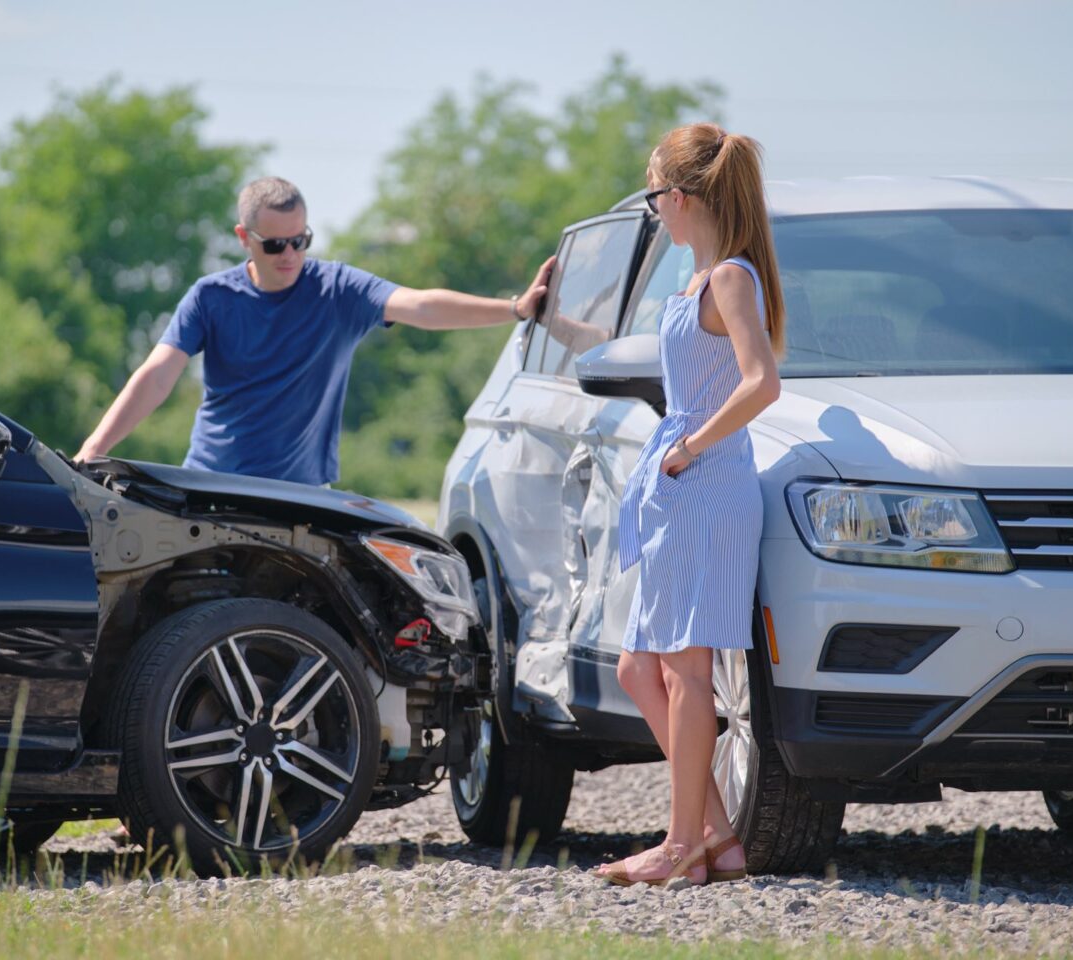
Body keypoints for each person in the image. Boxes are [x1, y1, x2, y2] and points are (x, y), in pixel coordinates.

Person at [75, 177, 553, 484]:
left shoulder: (338, 289)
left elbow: (422, 306)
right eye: (276, 243)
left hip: (302, 498)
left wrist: (514, 307)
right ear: (244, 239)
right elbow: (158, 374)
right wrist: (93, 451)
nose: (289, 255)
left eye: (300, 241)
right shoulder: (211, 296)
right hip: (212, 484)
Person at [595, 123, 786, 888]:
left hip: (705, 488)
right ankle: (714, 835)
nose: (655, 214)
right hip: (680, 489)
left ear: (676, 197)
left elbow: (761, 382)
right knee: (640, 668)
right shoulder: (700, 278)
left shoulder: (730, 277)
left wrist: (690, 446)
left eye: (653, 199)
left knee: (684, 671)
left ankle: (681, 848)